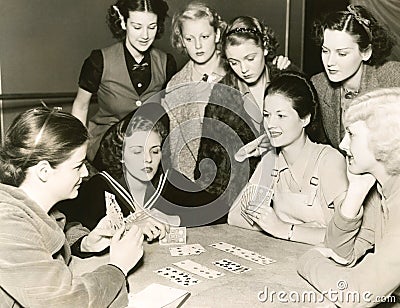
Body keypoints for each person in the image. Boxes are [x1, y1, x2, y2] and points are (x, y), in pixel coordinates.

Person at [0, 107, 143, 307]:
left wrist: (85, 243)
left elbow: (48, 236)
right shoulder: (7, 224)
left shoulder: (35, 208)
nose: (85, 173)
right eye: (77, 166)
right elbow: (66, 302)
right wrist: (118, 267)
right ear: (44, 171)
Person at [298, 88, 400, 306]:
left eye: (352, 134)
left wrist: (309, 260)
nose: (343, 145)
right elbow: (339, 255)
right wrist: (355, 193)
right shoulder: (383, 189)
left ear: (383, 140)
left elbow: (354, 294)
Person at [59, 103, 226, 228]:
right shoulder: (100, 186)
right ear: (120, 153)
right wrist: (127, 227)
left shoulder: (168, 180)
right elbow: (69, 228)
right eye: (137, 151)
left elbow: (217, 210)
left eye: (155, 151)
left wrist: (174, 219)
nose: (147, 159)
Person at [228, 72, 348, 245]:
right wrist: (279, 227)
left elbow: (345, 236)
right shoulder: (272, 160)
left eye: (281, 116)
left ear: (305, 118)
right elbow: (235, 216)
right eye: (267, 115)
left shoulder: (329, 160)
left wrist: (284, 229)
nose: (270, 125)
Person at [194, 15, 296, 207]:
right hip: (240, 198)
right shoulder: (220, 95)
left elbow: (314, 137)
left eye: (250, 58)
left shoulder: (289, 78)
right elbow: (208, 163)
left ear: (265, 47)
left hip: (291, 193)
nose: (243, 69)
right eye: (234, 62)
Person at [72, 0, 177, 163]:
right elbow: (81, 106)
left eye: (152, 27)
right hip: (107, 144)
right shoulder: (99, 60)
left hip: (149, 144)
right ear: (123, 22)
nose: (145, 35)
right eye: (137, 27)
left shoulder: (166, 62)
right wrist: (77, 150)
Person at [311, 4, 400, 149]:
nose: (330, 62)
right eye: (325, 51)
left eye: (342, 53)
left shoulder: (393, 77)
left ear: (366, 53)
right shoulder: (319, 85)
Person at [161, 1, 227, 180]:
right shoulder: (176, 86)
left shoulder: (239, 70)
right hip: (195, 183)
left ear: (217, 34)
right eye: (189, 39)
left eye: (204, 37)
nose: (198, 46)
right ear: (181, 40)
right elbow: (177, 151)